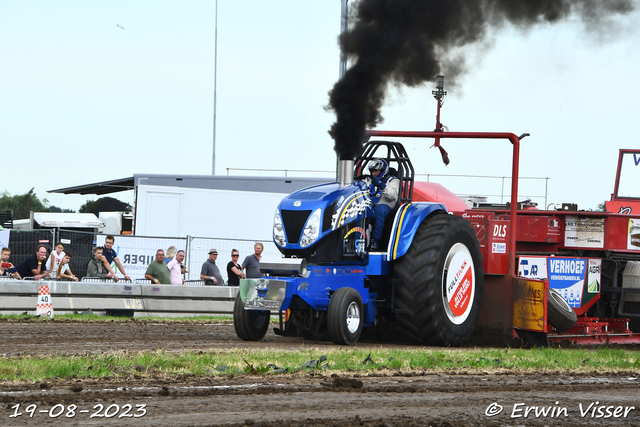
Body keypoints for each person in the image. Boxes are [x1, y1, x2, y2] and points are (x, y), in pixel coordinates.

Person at [364, 159, 399, 250]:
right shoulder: (368, 180)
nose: (374, 174)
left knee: (379, 210)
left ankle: (375, 242)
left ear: (383, 171)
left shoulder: (393, 181)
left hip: (386, 204)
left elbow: (393, 196)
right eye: (372, 171)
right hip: (370, 204)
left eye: (376, 171)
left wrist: (382, 185)